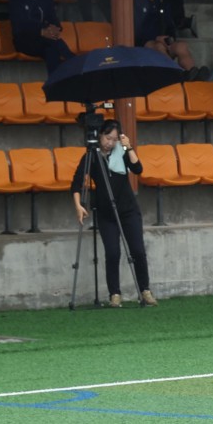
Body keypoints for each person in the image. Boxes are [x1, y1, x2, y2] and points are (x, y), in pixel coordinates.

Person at [70, 119, 155, 308]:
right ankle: (115, 294)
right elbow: (76, 183)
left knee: (138, 251)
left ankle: (145, 290)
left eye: (114, 139)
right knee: (113, 253)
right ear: (100, 135)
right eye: (108, 138)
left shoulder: (121, 152)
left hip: (128, 210)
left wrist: (128, 147)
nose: (110, 143)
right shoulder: (91, 156)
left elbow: (138, 169)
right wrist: (78, 205)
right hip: (106, 212)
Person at [9, 0, 71, 74]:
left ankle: (55, 78)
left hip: (46, 41)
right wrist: (41, 32)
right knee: (54, 44)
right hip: (25, 41)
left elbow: (53, 19)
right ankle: (73, 61)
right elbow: (19, 26)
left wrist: (55, 28)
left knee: (51, 49)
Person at [134, 0, 196, 74]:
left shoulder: (162, 2)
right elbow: (137, 30)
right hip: (142, 43)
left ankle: (192, 74)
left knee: (181, 46)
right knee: (159, 47)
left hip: (161, 41)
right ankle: (174, 74)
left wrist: (170, 38)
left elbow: (169, 25)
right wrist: (156, 38)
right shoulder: (137, 2)